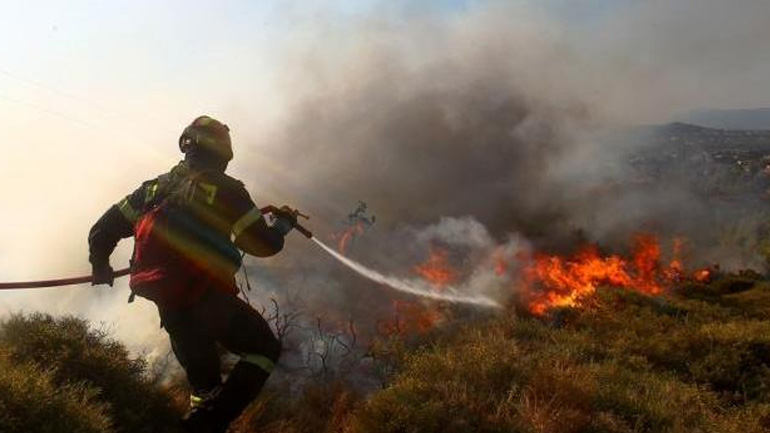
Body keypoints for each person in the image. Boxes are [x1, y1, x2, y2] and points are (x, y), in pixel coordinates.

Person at [88, 115, 296, 432]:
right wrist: (281, 227)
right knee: (264, 349)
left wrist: (100, 264)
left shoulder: (153, 188)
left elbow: (102, 230)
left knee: (205, 389)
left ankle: (203, 419)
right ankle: (200, 425)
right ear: (225, 154)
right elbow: (263, 245)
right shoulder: (228, 190)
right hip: (206, 297)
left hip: (168, 302)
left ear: (186, 145)